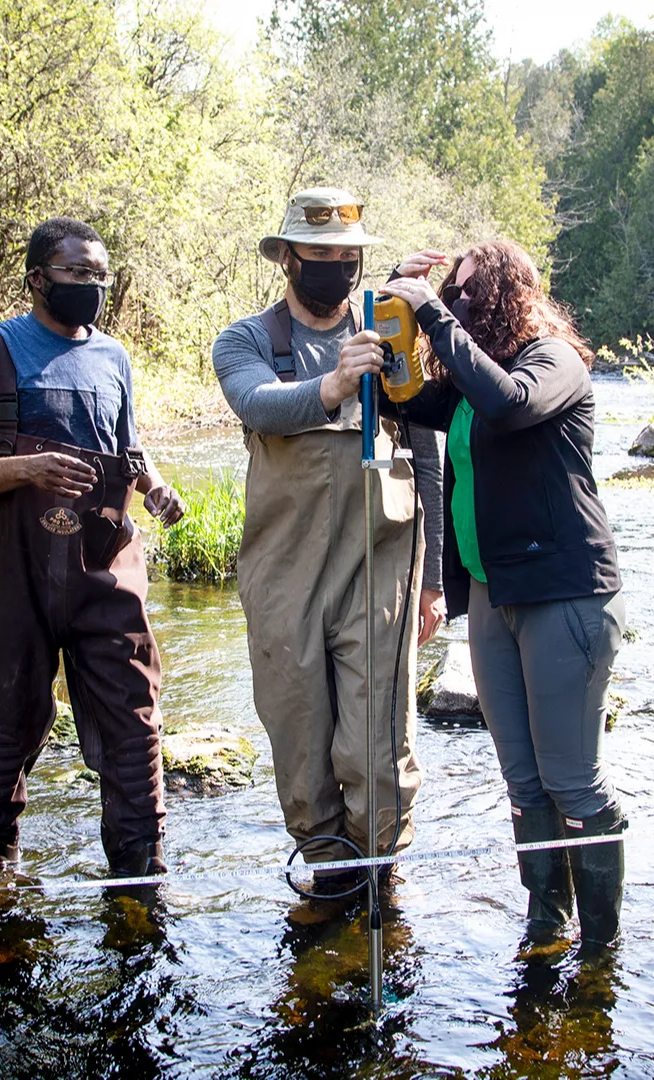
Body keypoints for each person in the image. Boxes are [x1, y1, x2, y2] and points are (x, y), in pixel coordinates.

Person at [380, 238, 630, 952]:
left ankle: (601, 949)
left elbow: (511, 405)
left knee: (571, 781)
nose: (456, 302)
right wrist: (397, 295)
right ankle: (547, 925)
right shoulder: (467, 384)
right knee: (523, 780)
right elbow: (404, 394)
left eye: (466, 292)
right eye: (449, 292)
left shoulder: (552, 360)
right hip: (493, 598)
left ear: (502, 295)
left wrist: (433, 315)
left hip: (564, 593)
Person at [210, 188, 445, 899]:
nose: (336, 270)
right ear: (286, 258)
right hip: (285, 574)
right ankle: (326, 874)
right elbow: (257, 404)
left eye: (349, 259)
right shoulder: (245, 340)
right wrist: (339, 381)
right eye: (320, 257)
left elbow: (427, 453)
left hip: (382, 564)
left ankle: (383, 884)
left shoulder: (389, 329)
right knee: (300, 739)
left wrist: (433, 580)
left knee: (377, 745)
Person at [0, 216, 186, 883]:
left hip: (104, 571)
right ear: (37, 278)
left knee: (135, 727)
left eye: (100, 275)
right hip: (10, 577)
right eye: (78, 273)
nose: (92, 285)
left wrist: (156, 486)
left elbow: (130, 449)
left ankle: (140, 882)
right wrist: (29, 469)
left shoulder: (114, 359)